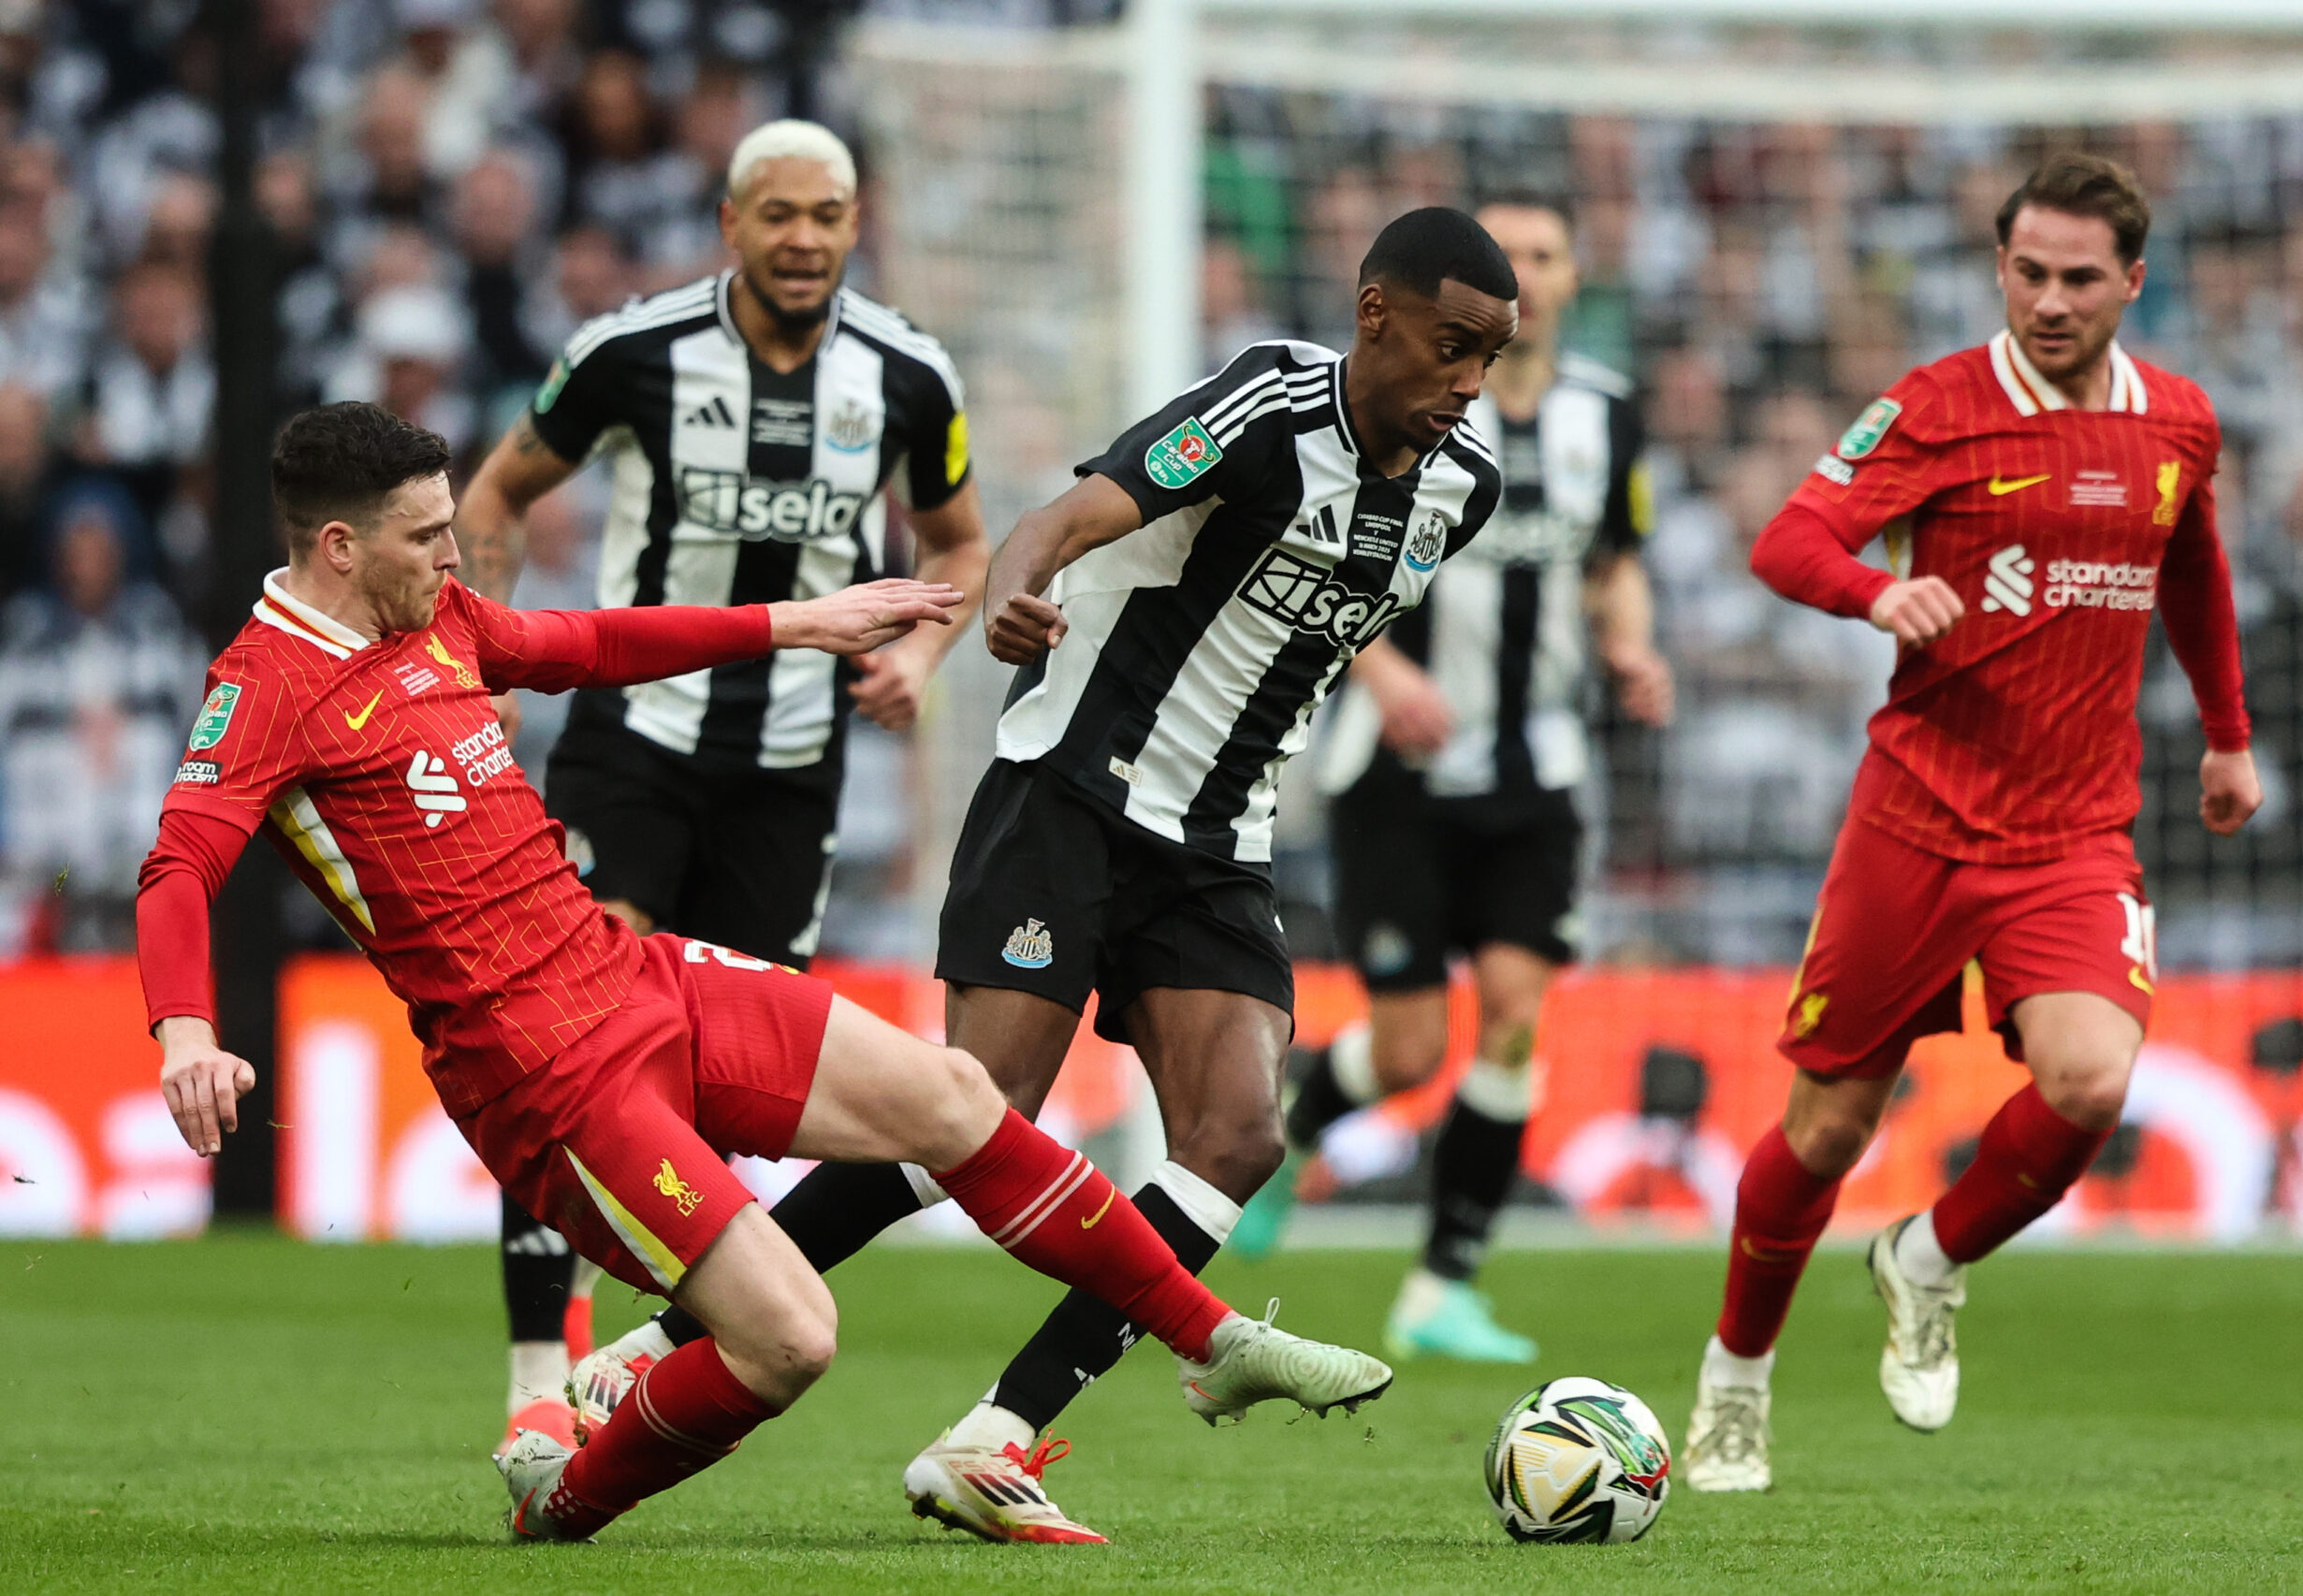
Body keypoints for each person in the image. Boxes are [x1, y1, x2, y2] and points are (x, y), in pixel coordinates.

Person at [133, 401, 1391, 1542]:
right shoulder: (261, 687)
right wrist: (187, 1033)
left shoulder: (439, 615)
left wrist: (797, 622)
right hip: (541, 1071)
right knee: (793, 1339)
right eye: (425, 538)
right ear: (340, 546)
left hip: (637, 973)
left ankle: (1210, 1338)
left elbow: (582, 641)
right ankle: (561, 1498)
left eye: (454, 528)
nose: (455, 559)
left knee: (959, 1098)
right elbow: (178, 868)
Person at [573, 206, 1516, 1543]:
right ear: (1378, 314)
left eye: (1490, 356)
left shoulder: (1459, 490)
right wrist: (1015, 598)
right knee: (972, 1106)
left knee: (1241, 1134)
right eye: (1451, 345)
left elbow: (1294, 627)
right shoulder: (1262, 405)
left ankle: (994, 1434)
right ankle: (646, 1348)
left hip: (1217, 843)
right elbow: (1061, 519)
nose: (1469, 382)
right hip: (1072, 796)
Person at [1679, 154, 2262, 1493]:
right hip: (1916, 819)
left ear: (2131, 279)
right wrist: (1872, 597)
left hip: (2073, 832)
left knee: (2091, 1082)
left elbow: (2197, 569)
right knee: (1826, 1131)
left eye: (2077, 278)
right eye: (2027, 273)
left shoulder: (2178, 423)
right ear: (2001, 268)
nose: (2049, 300)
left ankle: (1928, 1255)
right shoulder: (1937, 403)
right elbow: (1789, 539)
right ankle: (1736, 1375)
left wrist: (2227, 736)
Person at [449, 118, 989, 1451]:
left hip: (790, 773)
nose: (802, 238)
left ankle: (636, 1356)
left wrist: (923, 652)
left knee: (704, 1073)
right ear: (729, 222)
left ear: (856, 225)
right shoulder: (632, 350)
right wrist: (484, 652)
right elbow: (501, 492)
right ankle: (536, 1366)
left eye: (826, 214)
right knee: (571, 1042)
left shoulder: (910, 376)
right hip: (629, 742)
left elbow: (962, 540)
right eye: (777, 214)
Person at [1225, 194, 1674, 1365]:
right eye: (1504, 251)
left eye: (1541, 254)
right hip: (1402, 771)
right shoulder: (1417, 405)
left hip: (1541, 769)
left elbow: (1616, 564)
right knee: (1413, 1044)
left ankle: (1441, 1284)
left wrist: (1629, 642)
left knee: (1517, 1022)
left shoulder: (1607, 421)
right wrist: (1376, 671)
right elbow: (1331, 549)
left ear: (1564, 283)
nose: (1519, 270)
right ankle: (1295, 1122)